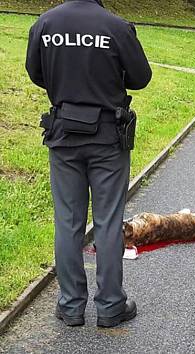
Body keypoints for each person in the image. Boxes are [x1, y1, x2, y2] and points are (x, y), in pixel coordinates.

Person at [26, 0, 152, 328]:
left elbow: (35, 72)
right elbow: (141, 77)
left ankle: (70, 306)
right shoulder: (116, 27)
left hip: (63, 134)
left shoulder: (46, 23)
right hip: (107, 139)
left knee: (68, 222)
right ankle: (111, 306)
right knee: (108, 222)